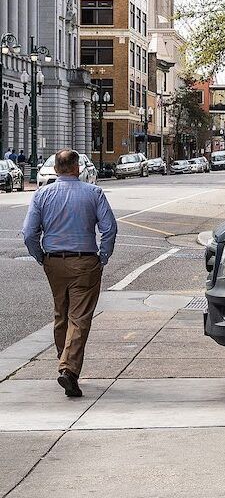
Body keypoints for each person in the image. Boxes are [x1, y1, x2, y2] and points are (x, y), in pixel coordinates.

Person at [21, 149, 118, 398]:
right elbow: (109, 229)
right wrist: (103, 257)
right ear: (77, 168)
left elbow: (29, 232)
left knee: (61, 314)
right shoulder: (93, 193)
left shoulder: (42, 194)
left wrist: (40, 256)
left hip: (54, 261)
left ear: (56, 169)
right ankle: (69, 369)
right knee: (79, 318)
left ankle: (64, 360)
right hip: (85, 261)